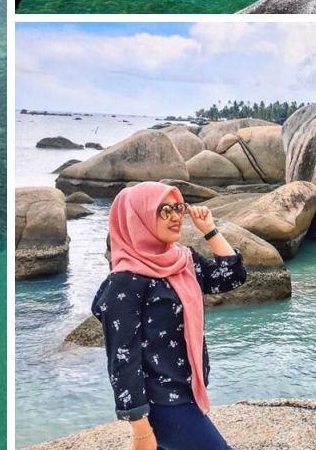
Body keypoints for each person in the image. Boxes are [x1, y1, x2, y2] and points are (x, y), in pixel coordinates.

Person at [93, 181, 246, 450]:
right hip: (161, 402)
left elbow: (230, 278)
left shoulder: (184, 261)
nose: (175, 216)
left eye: (178, 207)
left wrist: (209, 230)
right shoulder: (125, 283)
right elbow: (122, 358)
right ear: (137, 217)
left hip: (188, 390)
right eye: (163, 210)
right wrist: (140, 427)